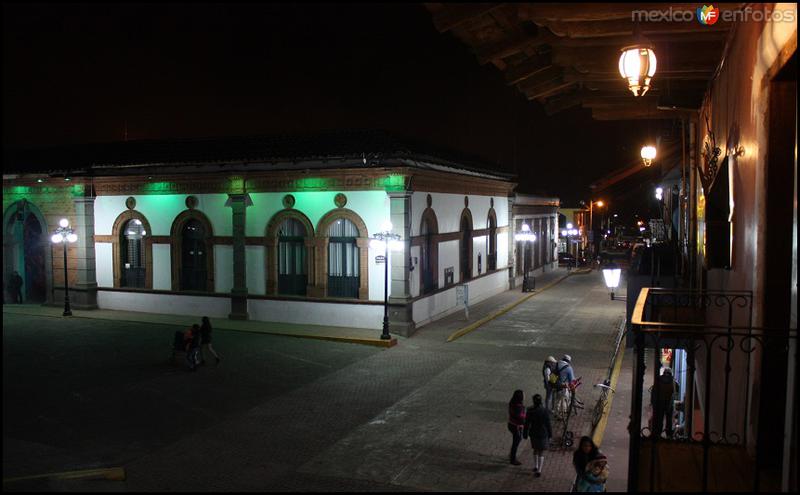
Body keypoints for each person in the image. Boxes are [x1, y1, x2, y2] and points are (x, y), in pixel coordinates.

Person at [525, 394, 552, 477]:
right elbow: (548, 424)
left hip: (533, 433)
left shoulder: (530, 410)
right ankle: (539, 470)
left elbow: (527, 423)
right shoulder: (544, 411)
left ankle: (535, 466)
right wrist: (550, 434)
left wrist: (525, 433)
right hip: (543, 434)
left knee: (535, 449)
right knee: (541, 451)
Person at [651, 367, 679, 437]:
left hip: (659, 404)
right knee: (669, 420)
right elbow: (677, 390)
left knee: (659, 419)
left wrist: (652, 402)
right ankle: (668, 434)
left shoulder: (658, 380)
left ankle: (658, 433)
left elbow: (653, 392)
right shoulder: (673, 381)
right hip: (669, 404)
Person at [507, 389, 526, 465]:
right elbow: (521, 418)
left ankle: (511, 455)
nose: (524, 396)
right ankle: (512, 458)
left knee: (516, 440)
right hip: (516, 426)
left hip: (511, 424)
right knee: (516, 442)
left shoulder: (512, 403)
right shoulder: (518, 407)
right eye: (523, 395)